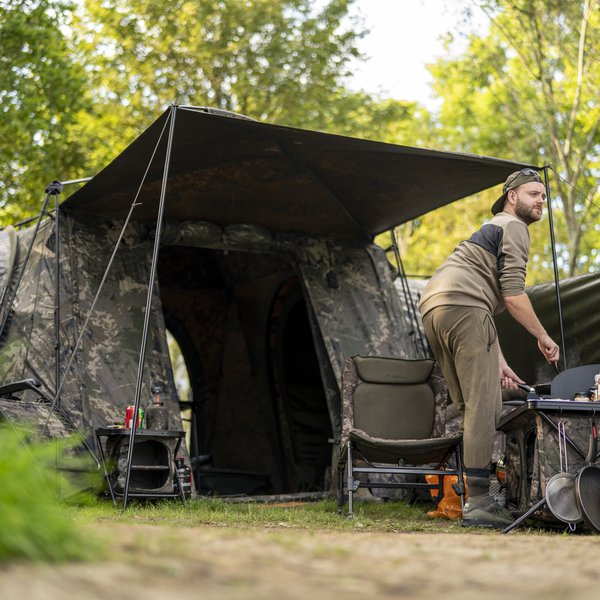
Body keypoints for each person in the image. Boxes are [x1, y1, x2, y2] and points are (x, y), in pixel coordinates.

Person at [418, 169, 560, 528]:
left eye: (543, 196)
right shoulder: (514, 227)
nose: (540, 200)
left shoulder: (491, 229)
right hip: (465, 306)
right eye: (533, 194)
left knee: (469, 404)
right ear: (512, 196)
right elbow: (513, 295)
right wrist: (543, 336)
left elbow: (484, 306)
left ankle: (465, 494)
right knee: (486, 406)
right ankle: (480, 502)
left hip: (435, 307)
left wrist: (500, 360)